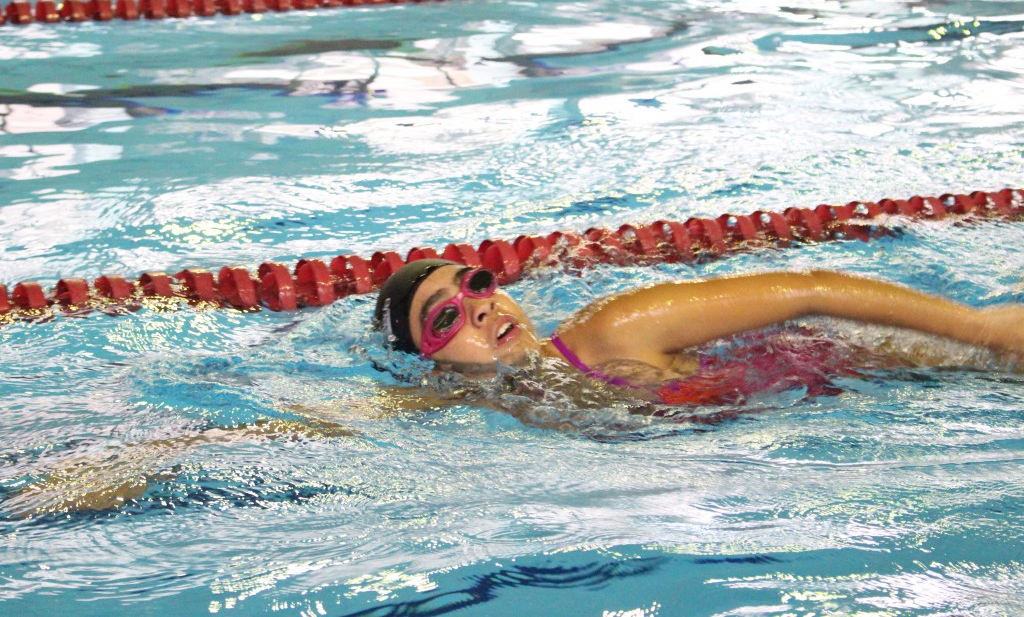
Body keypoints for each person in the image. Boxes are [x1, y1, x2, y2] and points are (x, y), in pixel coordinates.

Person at [375, 259, 1024, 405]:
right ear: (433, 362)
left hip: (849, 364)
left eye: (478, 284)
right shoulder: (460, 401)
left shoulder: (609, 331)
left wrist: (981, 329)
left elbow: (812, 290)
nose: (480, 308)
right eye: (445, 316)